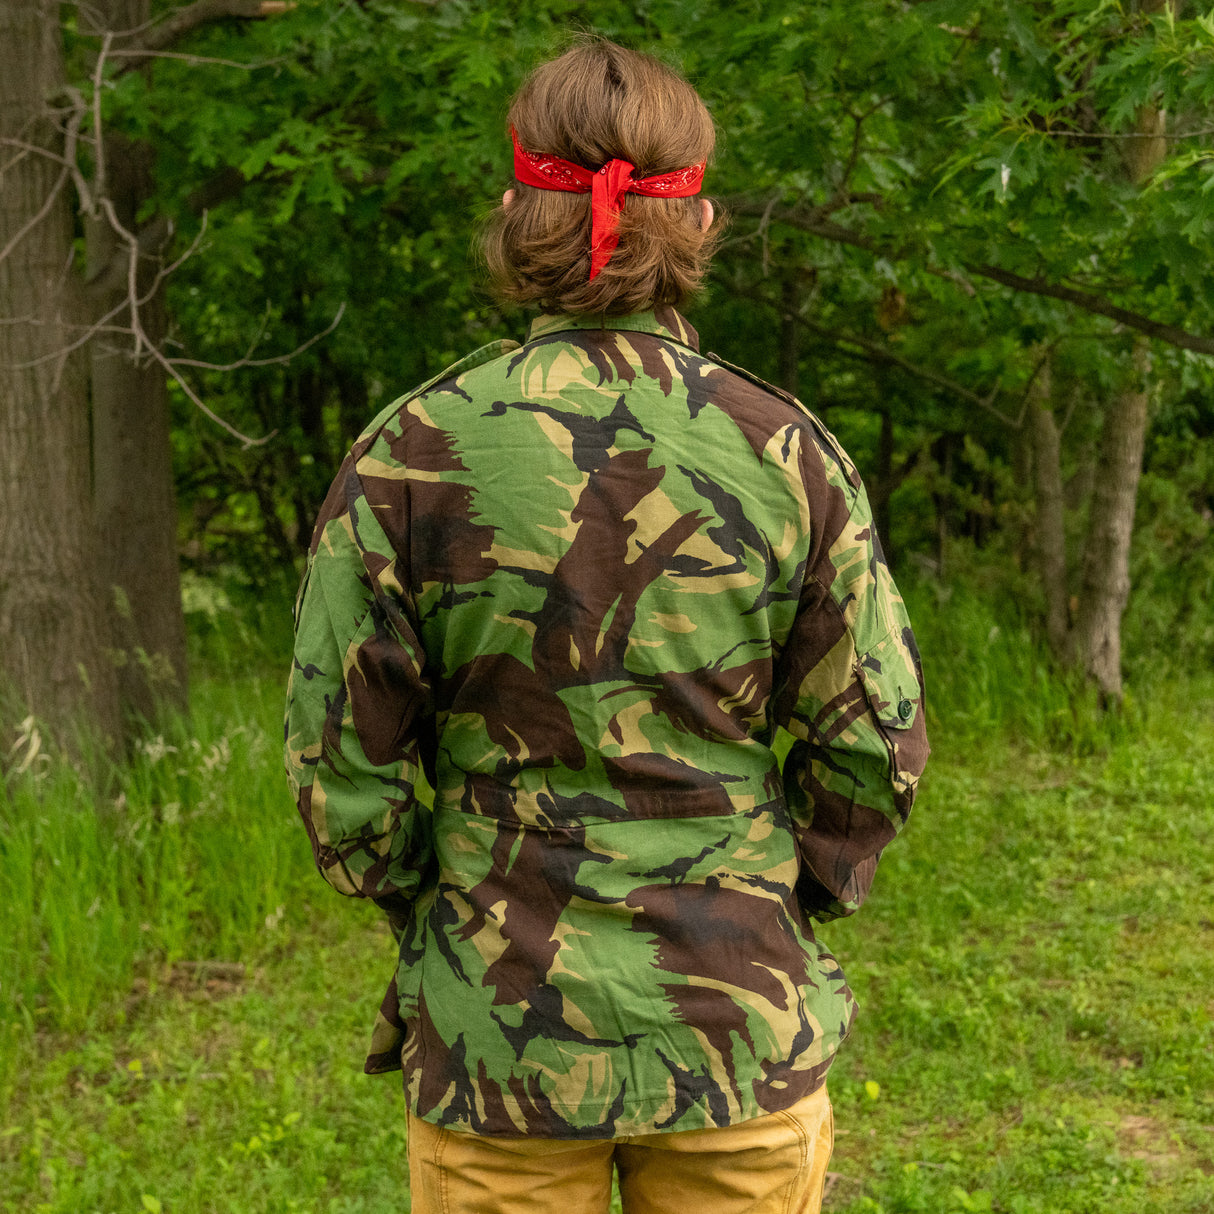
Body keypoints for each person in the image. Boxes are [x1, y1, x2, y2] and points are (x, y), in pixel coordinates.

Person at [285, 36, 928, 1214]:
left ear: (511, 212)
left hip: (497, 1042)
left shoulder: (410, 452)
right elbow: (872, 748)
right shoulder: (785, 452)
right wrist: (776, 893)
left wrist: (444, 902)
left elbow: (340, 769)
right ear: (700, 220)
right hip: (736, 1033)